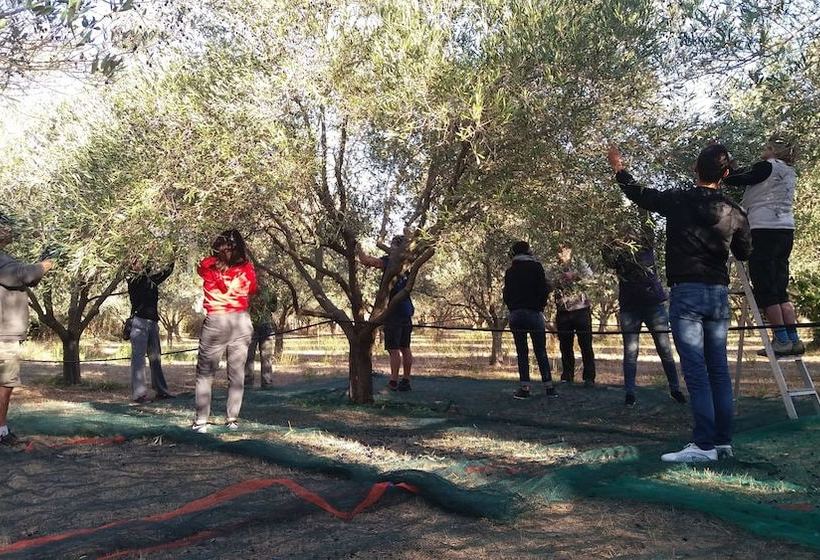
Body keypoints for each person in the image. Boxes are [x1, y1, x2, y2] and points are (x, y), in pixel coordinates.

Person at [608, 144, 752, 463]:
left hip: (687, 293)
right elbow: (744, 252)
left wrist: (619, 169)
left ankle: (703, 446)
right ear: (726, 175)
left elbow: (640, 194)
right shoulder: (734, 211)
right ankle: (722, 442)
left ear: (694, 169)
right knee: (718, 369)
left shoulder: (679, 200)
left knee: (696, 370)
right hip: (718, 295)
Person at [723, 137, 803, 355]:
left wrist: (725, 169)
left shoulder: (766, 166)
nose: (762, 150)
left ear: (773, 151)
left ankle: (781, 339)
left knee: (766, 288)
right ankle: (794, 338)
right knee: (780, 288)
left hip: (763, 229)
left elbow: (736, 181)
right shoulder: (788, 171)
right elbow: (752, 179)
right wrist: (735, 166)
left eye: (766, 147)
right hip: (786, 230)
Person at [601, 217, 686, 407]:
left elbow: (649, 228)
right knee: (631, 351)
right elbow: (607, 258)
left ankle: (675, 389)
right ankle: (630, 393)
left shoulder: (646, 248)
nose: (628, 236)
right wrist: (605, 231)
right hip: (630, 307)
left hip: (653, 304)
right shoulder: (620, 257)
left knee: (664, 348)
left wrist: (639, 198)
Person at [192, 230, 257, 433]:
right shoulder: (247, 267)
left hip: (216, 322)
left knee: (205, 374)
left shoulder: (207, 264)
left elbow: (201, 270)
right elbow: (253, 289)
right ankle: (232, 420)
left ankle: (201, 421)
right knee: (236, 374)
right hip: (241, 321)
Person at [0, 214, 53, 446]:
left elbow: (25, 279)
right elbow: (24, 275)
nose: (8, 230)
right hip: (3, 336)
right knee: (5, 383)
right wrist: (45, 265)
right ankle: (1, 432)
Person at [357, 236, 414, 391]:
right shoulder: (409, 263)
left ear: (396, 247)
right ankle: (406, 380)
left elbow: (366, 260)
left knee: (394, 349)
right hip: (407, 309)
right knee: (405, 347)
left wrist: (357, 245)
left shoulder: (392, 261)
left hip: (394, 311)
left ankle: (394, 382)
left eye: (392, 245)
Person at [503, 240, 557, 399]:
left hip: (517, 314)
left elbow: (506, 294)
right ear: (528, 252)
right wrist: (540, 305)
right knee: (540, 350)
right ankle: (549, 387)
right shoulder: (537, 267)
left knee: (522, 351)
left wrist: (513, 307)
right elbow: (543, 289)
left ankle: (525, 388)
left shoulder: (510, 271)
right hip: (534, 314)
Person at [127, 260, 175, 403]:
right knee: (138, 359)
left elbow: (166, 272)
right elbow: (145, 272)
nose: (139, 264)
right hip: (139, 323)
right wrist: (149, 256)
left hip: (152, 323)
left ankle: (161, 390)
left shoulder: (151, 281)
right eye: (135, 262)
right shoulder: (133, 281)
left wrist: (172, 256)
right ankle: (139, 394)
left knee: (155, 358)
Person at [552, 244, 596, 387]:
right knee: (565, 345)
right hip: (563, 311)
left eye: (564, 251)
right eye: (559, 252)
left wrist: (575, 276)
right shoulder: (554, 267)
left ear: (570, 251)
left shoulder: (580, 263)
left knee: (586, 345)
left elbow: (590, 278)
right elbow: (549, 282)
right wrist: (556, 281)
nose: (561, 255)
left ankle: (589, 377)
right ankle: (567, 375)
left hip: (581, 310)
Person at [244, 282, 277, 389]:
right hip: (250, 326)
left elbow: (274, 307)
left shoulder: (270, 291)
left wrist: (266, 304)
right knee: (249, 355)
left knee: (266, 356)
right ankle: (248, 384)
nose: (261, 277)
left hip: (266, 326)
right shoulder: (248, 289)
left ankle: (267, 383)